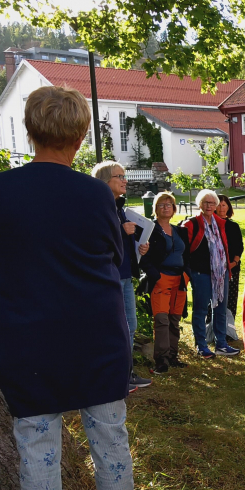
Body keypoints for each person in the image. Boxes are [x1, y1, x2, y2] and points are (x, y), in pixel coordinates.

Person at [0, 85, 135, 490]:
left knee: (37, 454)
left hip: (26, 338)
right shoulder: (96, 193)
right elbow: (113, 252)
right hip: (96, 339)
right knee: (112, 450)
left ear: (29, 130)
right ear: (81, 136)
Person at [92, 160, 152, 391]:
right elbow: (95, 238)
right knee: (116, 326)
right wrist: (120, 230)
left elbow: (120, 244)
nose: (125, 180)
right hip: (110, 276)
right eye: (120, 176)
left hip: (125, 273)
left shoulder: (119, 207)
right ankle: (117, 376)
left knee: (130, 326)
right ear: (106, 180)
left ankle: (125, 373)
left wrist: (138, 246)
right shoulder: (98, 206)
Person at [181, 189, 240, 358]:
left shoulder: (220, 223)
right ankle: (202, 346)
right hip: (200, 273)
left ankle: (221, 344)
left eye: (212, 203)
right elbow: (185, 250)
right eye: (206, 202)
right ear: (200, 204)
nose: (209, 206)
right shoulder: (191, 224)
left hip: (221, 273)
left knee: (221, 309)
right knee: (200, 310)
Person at [141, 192, 191, 375]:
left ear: (174, 209)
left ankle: (172, 356)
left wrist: (187, 274)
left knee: (174, 320)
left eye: (169, 204)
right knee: (161, 320)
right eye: (161, 204)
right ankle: (161, 360)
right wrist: (156, 275)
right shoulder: (149, 230)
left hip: (180, 280)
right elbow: (142, 257)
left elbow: (187, 255)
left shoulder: (179, 231)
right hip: (161, 279)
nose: (165, 207)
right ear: (155, 208)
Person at [217, 194, 244, 319]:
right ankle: (212, 328)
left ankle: (229, 329)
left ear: (228, 207)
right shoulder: (210, 224)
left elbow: (239, 247)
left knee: (230, 299)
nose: (221, 208)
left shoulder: (234, 226)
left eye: (224, 205)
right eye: (218, 205)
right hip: (214, 269)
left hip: (232, 267)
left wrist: (234, 262)